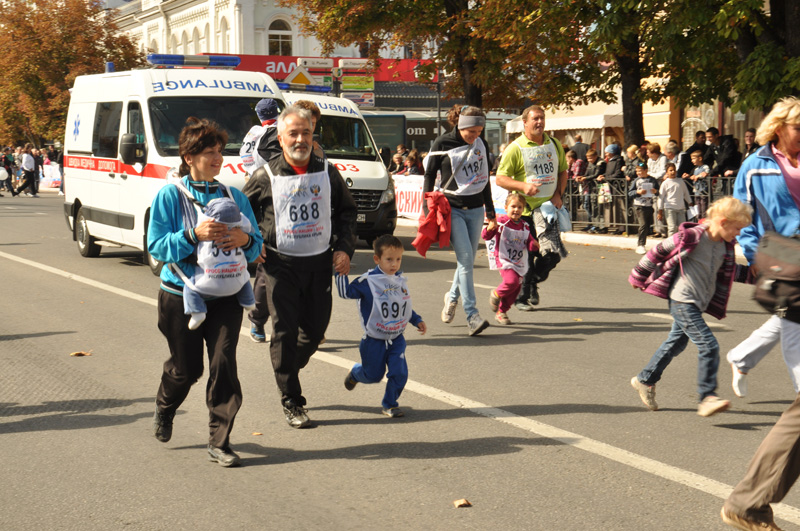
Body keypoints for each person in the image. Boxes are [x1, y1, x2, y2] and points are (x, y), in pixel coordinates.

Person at [147, 117, 263, 467]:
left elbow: (257, 247)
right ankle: (165, 406)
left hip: (226, 296)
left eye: (219, 151)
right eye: (209, 152)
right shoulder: (170, 195)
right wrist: (193, 235)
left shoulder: (234, 196)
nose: (217, 158)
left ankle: (219, 441)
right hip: (180, 295)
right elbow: (156, 246)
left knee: (224, 364)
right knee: (187, 370)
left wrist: (245, 239)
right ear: (188, 157)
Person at [243, 105, 357, 428]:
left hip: (319, 263)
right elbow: (242, 212)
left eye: (306, 133)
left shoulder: (327, 172)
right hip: (280, 265)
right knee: (284, 331)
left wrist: (344, 248)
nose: (300, 140)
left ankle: (287, 368)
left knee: (314, 331)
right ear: (280, 139)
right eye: (293, 133)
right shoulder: (265, 176)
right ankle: (292, 400)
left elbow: (347, 212)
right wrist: (253, 243)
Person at [629, 196, 752, 417]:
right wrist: (638, 276)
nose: (738, 234)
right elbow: (657, 252)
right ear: (723, 222)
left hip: (698, 303)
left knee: (675, 344)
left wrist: (760, 276)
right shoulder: (692, 236)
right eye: (737, 228)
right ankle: (707, 397)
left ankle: (645, 379)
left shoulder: (724, 246)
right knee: (709, 345)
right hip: (682, 301)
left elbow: (731, 271)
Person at [723, 97, 800, 400]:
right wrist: (755, 254)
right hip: (782, 253)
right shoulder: (755, 165)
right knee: (794, 323)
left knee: (788, 315)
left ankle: (741, 357)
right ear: (779, 128)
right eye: (798, 127)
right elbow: (743, 214)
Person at [423, 104, 496, 335]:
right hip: (452, 209)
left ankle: (452, 296)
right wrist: (426, 208)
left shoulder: (481, 144)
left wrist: (491, 213)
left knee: (467, 261)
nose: (475, 136)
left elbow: (484, 180)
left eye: (479, 132)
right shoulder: (442, 143)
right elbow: (429, 174)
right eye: (471, 132)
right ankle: (472, 315)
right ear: (461, 126)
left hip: (475, 210)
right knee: (465, 260)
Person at [335, 235, 426, 418]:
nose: (394, 264)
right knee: (373, 376)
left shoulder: (398, 280)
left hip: (396, 338)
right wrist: (341, 273)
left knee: (399, 372)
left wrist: (416, 319)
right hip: (374, 340)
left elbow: (402, 305)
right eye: (389, 259)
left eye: (398, 259)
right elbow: (346, 293)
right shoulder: (368, 281)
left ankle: (390, 404)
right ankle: (356, 373)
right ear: (377, 259)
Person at [496, 105, 568, 311]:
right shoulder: (515, 148)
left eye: (542, 118)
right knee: (527, 255)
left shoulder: (554, 144)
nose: (539, 122)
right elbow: (500, 178)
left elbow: (563, 171)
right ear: (525, 122)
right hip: (524, 212)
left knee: (552, 254)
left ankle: (534, 280)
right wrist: (523, 187)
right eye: (535, 118)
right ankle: (522, 297)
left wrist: (558, 194)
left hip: (547, 211)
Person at [177, 197, 257, 330]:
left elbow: (197, 232)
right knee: (245, 278)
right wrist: (247, 238)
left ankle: (197, 312)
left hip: (209, 280)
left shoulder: (206, 227)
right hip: (235, 280)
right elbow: (250, 228)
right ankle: (249, 302)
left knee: (190, 287)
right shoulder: (240, 227)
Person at [483, 193, 539, 325]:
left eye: (520, 207)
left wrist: (534, 245)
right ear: (506, 208)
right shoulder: (502, 222)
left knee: (516, 289)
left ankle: (502, 312)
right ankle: (496, 294)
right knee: (511, 281)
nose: (516, 210)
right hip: (504, 258)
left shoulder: (524, 225)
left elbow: (529, 242)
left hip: (518, 260)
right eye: (513, 206)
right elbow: (486, 236)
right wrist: (489, 229)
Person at [241, 98, 280, 175]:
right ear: (277, 112)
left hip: (258, 177)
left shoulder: (254, 132)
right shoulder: (285, 131)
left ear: (258, 115)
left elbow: (245, 156)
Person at [629, 161, 659, 254]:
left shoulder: (652, 180)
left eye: (640, 171)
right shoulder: (636, 181)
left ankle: (643, 242)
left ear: (646, 170)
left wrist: (655, 191)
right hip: (639, 205)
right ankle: (640, 245)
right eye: (637, 171)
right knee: (643, 224)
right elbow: (630, 193)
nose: (638, 173)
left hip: (649, 205)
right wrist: (638, 192)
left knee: (647, 225)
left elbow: (658, 191)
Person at [656, 163, 692, 237]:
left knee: (682, 228)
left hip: (681, 208)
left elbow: (686, 193)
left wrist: (690, 202)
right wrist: (660, 211)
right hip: (670, 208)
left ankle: (681, 242)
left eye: (674, 170)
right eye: (670, 170)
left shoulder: (680, 181)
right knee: (672, 228)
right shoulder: (665, 183)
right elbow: (661, 197)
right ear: (667, 172)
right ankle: (671, 243)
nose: (673, 172)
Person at [575, 148, 604, 232]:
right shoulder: (590, 164)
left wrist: (585, 178)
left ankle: (599, 226)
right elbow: (587, 173)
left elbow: (596, 174)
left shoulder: (600, 163)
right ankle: (592, 224)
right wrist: (581, 177)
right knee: (590, 205)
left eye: (590, 158)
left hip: (599, 187)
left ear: (595, 156)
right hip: (591, 187)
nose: (589, 160)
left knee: (598, 207)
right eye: (588, 158)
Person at [684, 150, 710, 219]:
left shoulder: (705, 167)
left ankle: (703, 220)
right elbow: (693, 176)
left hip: (703, 191)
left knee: (704, 207)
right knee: (698, 208)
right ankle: (699, 219)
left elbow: (705, 173)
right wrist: (689, 176)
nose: (692, 161)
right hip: (696, 191)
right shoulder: (695, 169)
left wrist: (698, 176)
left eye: (693, 159)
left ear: (700, 158)